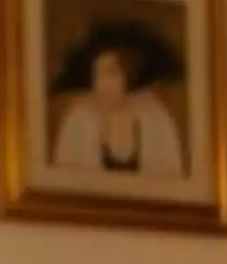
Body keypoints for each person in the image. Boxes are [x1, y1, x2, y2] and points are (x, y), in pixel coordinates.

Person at [51, 22, 186, 179]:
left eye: (111, 74)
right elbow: (63, 180)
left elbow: (173, 181)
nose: (102, 84)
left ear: (129, 76)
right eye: (97, 75)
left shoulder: (157, 120)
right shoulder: (77, 121)